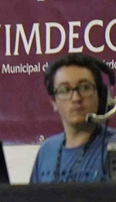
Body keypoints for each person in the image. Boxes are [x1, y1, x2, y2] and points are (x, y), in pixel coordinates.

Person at [32, 53, 114, 182]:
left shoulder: (113, 145)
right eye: (65, 90)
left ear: (100, 96)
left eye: (85, 87)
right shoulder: (47, 150)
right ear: (54, 102)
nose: (76, 98)